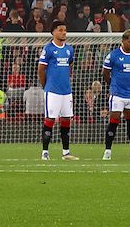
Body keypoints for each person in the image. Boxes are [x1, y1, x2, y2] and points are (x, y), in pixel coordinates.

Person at [101, 29, 130, 161]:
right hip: (117, 94)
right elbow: (105, 73)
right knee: (114, 121)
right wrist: (113, 85)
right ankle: (107, 151)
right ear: (123, 41)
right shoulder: (113, 55)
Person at [37, 22, 77, 161]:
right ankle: (45, 152)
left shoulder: (69, 49)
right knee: (50, 120)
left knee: (66, 120)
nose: (64, 32)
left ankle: (66, 152)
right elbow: (41, 70)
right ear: (53, 32)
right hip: (52, 91)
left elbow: (70, 66)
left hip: (66, 91)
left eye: (65, 30)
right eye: (60, 30)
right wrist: (46, 86)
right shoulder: (48, 49)